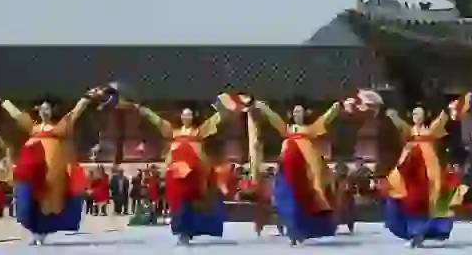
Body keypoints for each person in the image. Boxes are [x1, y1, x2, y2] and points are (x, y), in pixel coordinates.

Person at [0, 89, 104, 245]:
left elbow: (74, 114)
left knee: (51, 201)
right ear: (38, 110)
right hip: (37, 169)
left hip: (54, 170)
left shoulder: (60, 127)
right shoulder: (33, 128)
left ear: (52, 111)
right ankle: (35, 230)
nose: (44, 111)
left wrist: (86, 98)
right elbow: (18, 116)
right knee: (33, 198)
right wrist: (3, 102)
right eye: (42, 108)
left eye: (47, 108)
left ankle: (42, 232)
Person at [133, 98, 233, 245]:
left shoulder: (199, 131)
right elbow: (157, 121)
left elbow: (216, 120)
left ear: (193, 117)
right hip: (176, 174)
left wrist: (224, 109)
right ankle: (182, 232)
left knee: (191, 202)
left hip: (194, 174)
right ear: (180, 117)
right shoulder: (173, 132)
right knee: (178, 203)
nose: (186, 117)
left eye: (189, 114)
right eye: (184, 114)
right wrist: (143, 110)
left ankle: (188, 232)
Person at [252, 97, 349, 245]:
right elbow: (274, 119)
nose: (298, 113)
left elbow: (325, 119)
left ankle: (304, 230)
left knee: (308, 198)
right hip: (290, 166)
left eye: (300, 111)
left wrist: (336, 107)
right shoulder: (287, 130)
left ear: (305, 114)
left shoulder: (311, 129)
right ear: (292, 114)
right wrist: (264, 108)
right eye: (295, 111)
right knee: (290, 198)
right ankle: (292, 230)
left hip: (306, 167)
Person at [381, 95, 472, 247]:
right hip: (409, 168)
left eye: (421, 114)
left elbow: (443, 119)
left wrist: (451, 109)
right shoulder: (410, 132)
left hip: (429, 169)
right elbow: (401, 125)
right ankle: (410, 230)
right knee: (401, 192)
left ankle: (422, 232)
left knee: (430, 198)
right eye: (416, 114)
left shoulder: (431, 132)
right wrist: (393, 116)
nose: (418, 117)